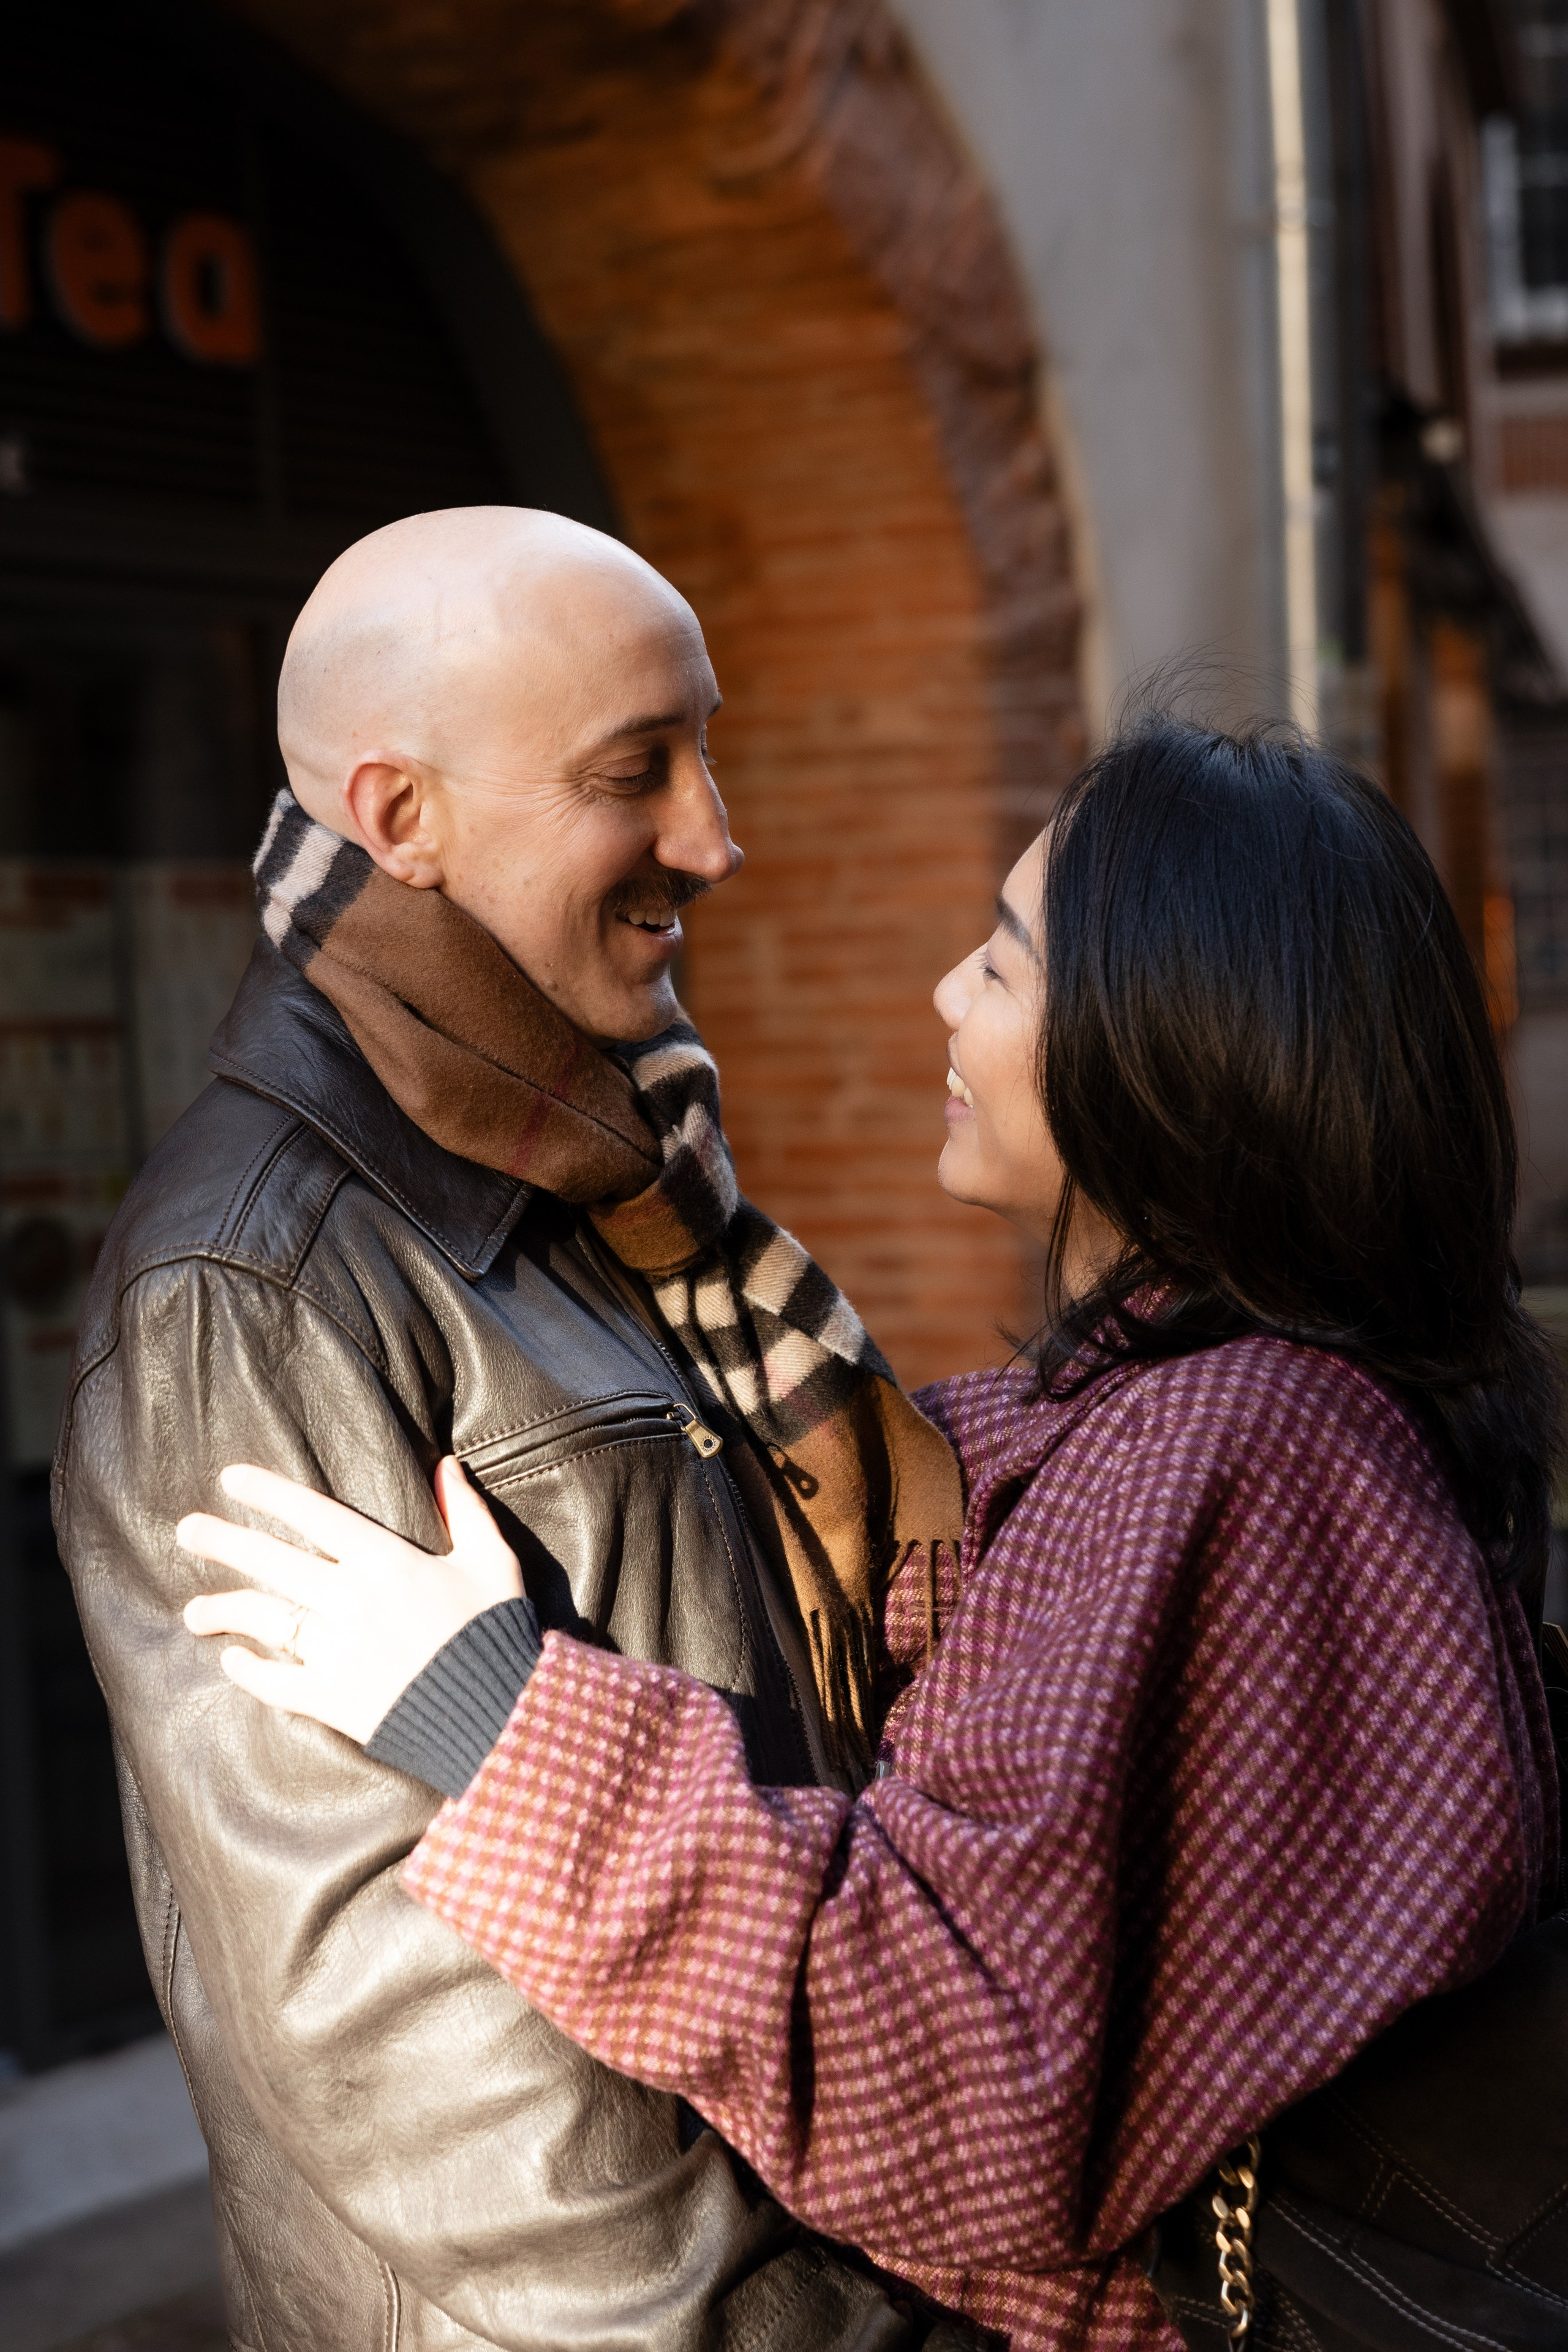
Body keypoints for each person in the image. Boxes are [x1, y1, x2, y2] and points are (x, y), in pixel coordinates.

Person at [181, 722, 1561, 2352]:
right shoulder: (1217, 1421)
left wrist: (497, 1723)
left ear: (1174, 1043)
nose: (945, 997)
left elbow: (959, 2089)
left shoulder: (1238, 1448)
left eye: (1006, 957)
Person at [55, 506, 970, 2352]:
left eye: (706, 752)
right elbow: (427, 2066)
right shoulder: (250, 1288)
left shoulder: (606, 1166)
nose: (715, 838)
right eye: (640, 772)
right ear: (400, 821)